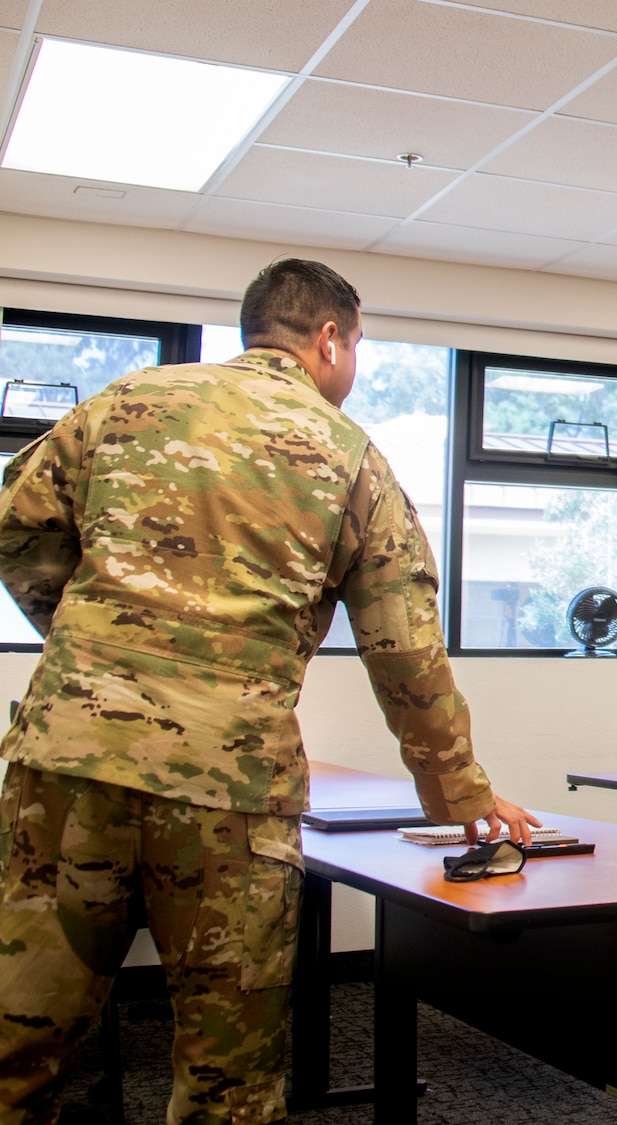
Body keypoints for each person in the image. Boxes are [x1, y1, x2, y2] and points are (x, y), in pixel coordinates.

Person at [0, 259, 537, 1124]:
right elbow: (404, 653)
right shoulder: (350, 456)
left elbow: (17, 525)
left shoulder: (126, 401)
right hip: (230, 788)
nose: (353, 367)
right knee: (229, 1078)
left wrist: (87, 641)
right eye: (357, 346)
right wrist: (459, 795)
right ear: (329, 340)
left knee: (16, 1043)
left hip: (67, 757)